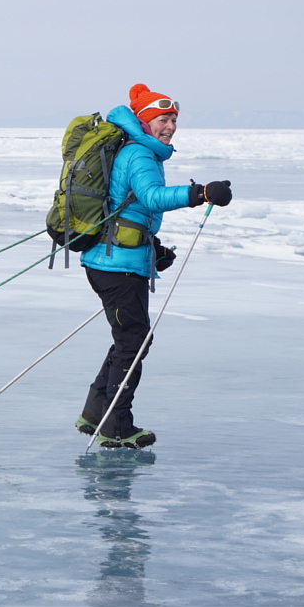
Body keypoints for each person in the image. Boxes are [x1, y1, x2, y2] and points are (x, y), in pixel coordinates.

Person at [74, 84, 232, 448]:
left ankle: (96, 412)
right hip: (116, 266)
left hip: (119, 260)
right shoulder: (140, 155)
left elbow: (129, 208)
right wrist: (200, 193)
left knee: (130, 339)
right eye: (163, 119)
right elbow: (151, 198)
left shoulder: (142, 152)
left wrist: (153, 248)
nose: (170, 126)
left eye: (174, 119)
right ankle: (116, 427)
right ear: (145, 121)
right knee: (132, 341)